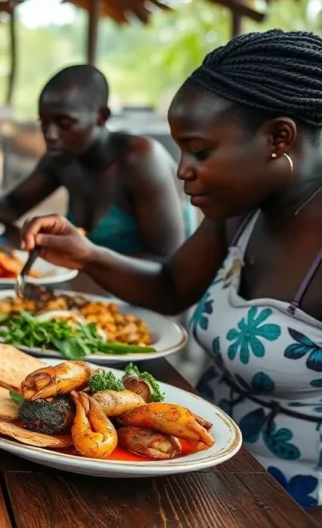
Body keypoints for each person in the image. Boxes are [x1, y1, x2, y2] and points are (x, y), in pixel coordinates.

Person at [18, 30, 322, 508]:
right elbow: (171, 287)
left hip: (287, 498)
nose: (182, 170)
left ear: (278, 137)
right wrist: (88, 253)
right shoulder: (241, 213)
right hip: (187, 461)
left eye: (200, 152)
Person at [0, 65, 191, 258]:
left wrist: (88, 259)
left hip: (157, 303)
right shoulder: (62, 158)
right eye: (44, 122)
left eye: (64, 123)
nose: (50, 134)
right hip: (96, 289)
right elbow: (12, 207)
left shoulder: (139, 159)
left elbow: (168, 262)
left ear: (101, 117)